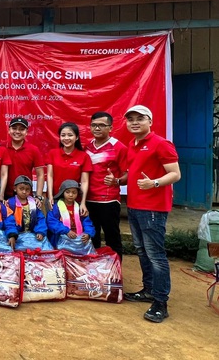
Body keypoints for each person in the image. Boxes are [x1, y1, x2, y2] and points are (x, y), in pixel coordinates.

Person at [122, 105, 180, 323]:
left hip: (153, 208)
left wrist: (154, 183)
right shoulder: (133, 144)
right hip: (135, 207)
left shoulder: (161, 144)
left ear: (150, 121)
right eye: (131, 119)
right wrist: (120, 180)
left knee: (155, 254)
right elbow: (133, 171)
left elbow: (175, 174)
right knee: (141, 250)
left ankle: (160, 302)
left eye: (140, 118)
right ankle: (148, 290)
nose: (134, 122)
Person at [84, 112, 128, 258]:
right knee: (92, 237)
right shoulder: (87, 147)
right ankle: (95, 272)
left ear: (110, 128)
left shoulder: (119, 147)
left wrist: (116, 181)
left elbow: (129, 174)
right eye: (94, 125)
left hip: (108, 201)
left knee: (112, 238)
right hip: (88, 200)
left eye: (102, 125)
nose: (97, 128)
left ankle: (115, 274)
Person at [46, 122, 92, 213]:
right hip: (55, 198)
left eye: (70, 135)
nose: (66, 138)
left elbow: (84, 181)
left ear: (77, 137)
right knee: (53, 225)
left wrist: (82, 202)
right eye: (63, 135)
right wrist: (50, 197)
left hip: (74, 200)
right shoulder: (52, 153)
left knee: (74, 225)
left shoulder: (84, 156)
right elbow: (49, 176)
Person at [4, 117, 45, 205]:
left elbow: (40, 174)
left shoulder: (33, 150)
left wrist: (38, 196)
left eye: (21, 129)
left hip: (25, 195)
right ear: (9, 130)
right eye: (14, 128)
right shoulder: (2, 148)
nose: (17, 132)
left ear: (26, 132)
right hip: (4, 195)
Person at [46, 179, 96, 249]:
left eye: (74, 192)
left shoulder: (80, 208)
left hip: (79, 238)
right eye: (67, 192)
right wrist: (66, 231)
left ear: (77, 193)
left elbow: (87, 222)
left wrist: (88, 233)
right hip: (61, 239)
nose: (71, 195)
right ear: (62, 192)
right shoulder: (56, 207)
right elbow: (52, 222)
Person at [6, 175, 47, 241]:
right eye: (21, 189)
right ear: (15, 188)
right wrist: (12, 234)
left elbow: (40, 219)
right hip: (16, 235)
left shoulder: (34, 204)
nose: (24, 192)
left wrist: (40, 232)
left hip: (33, 235)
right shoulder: (11, 203)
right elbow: (9, 221)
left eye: (27, 189)